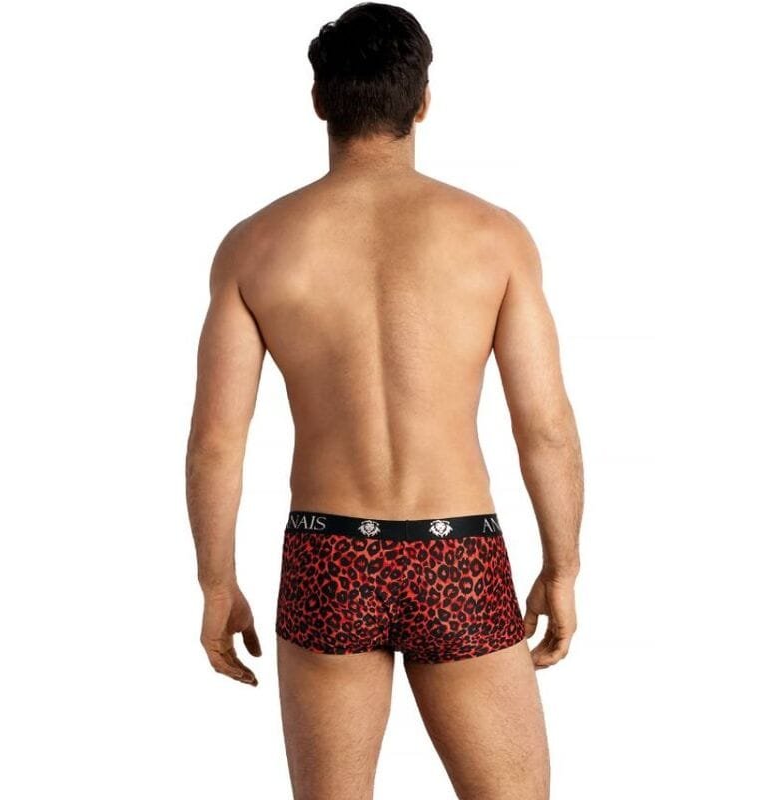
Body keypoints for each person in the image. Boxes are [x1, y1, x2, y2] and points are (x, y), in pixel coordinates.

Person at [185, 3, 583, 798]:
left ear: (319, 101)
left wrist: (216, 584)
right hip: (456, 550)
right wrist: (563, 567)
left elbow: (217, 441)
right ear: (422, 102)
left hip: (329, 552)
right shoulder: (494, 237)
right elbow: (544, 428)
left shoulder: (256, 245)